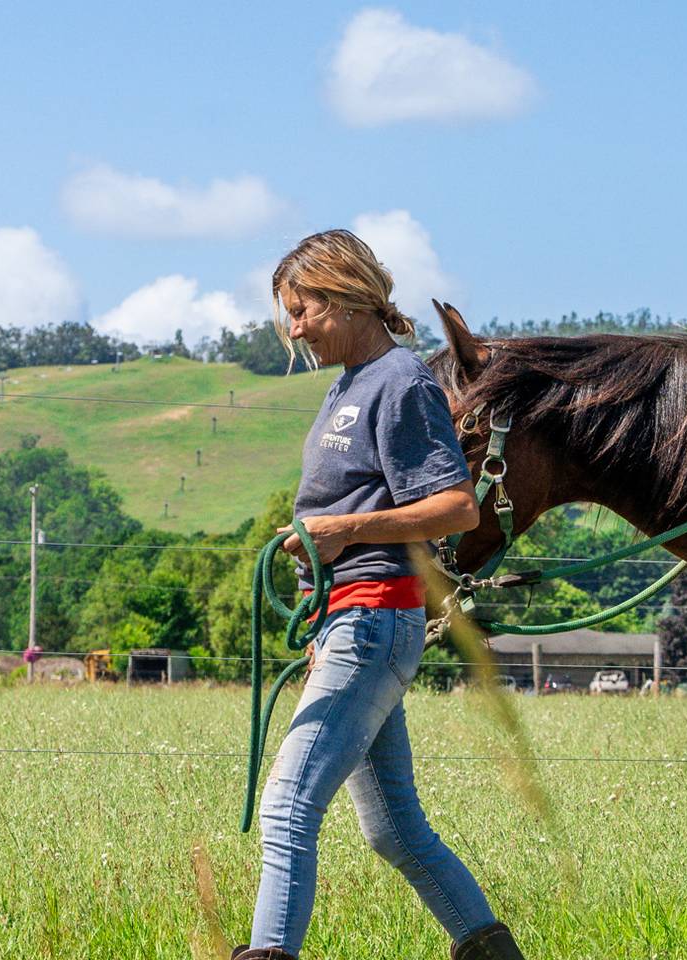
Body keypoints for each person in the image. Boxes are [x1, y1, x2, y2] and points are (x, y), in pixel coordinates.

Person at [237, 229, 523, 960]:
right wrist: (320, 534)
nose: (294, 328)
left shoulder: (402, 383)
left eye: (302, 310)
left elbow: (457, 506)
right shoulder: (350, 386)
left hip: (371, 622)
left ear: (346, 298)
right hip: (347, 621)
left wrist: (344, 528)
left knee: (288, 808)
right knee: (394, 829)